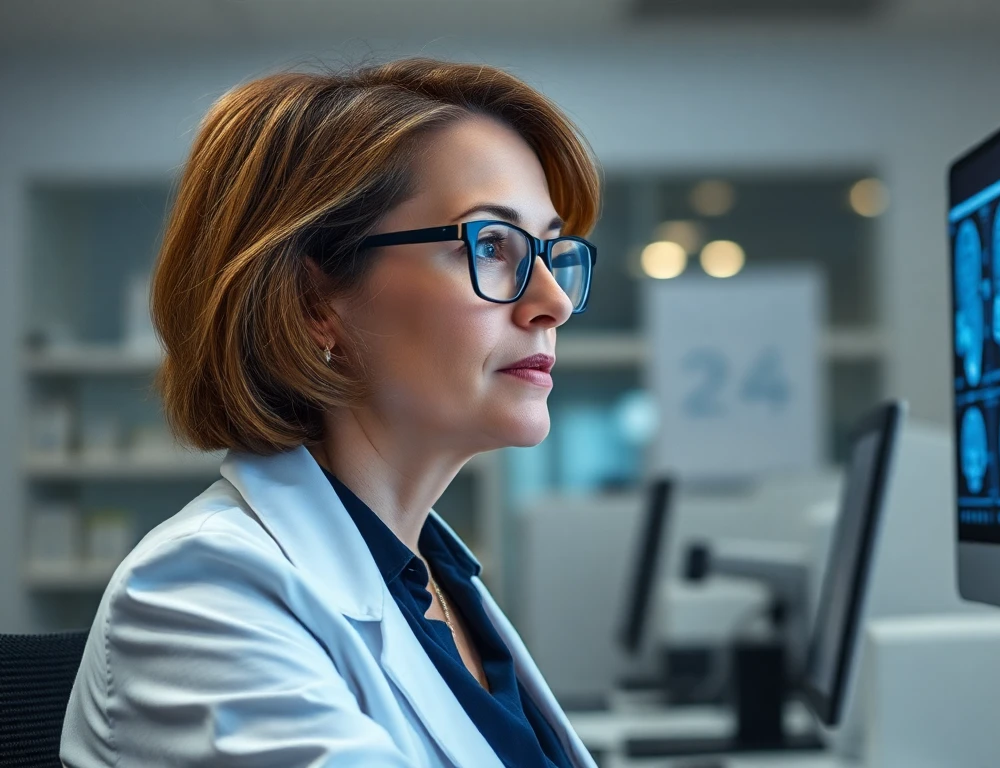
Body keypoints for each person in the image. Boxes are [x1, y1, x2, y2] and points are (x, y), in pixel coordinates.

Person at [61, 58, 600, 767]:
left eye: (551, 251)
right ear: (315, 303)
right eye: (491, 245)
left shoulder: (435, 580)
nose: (553, 301)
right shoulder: (202, 594)